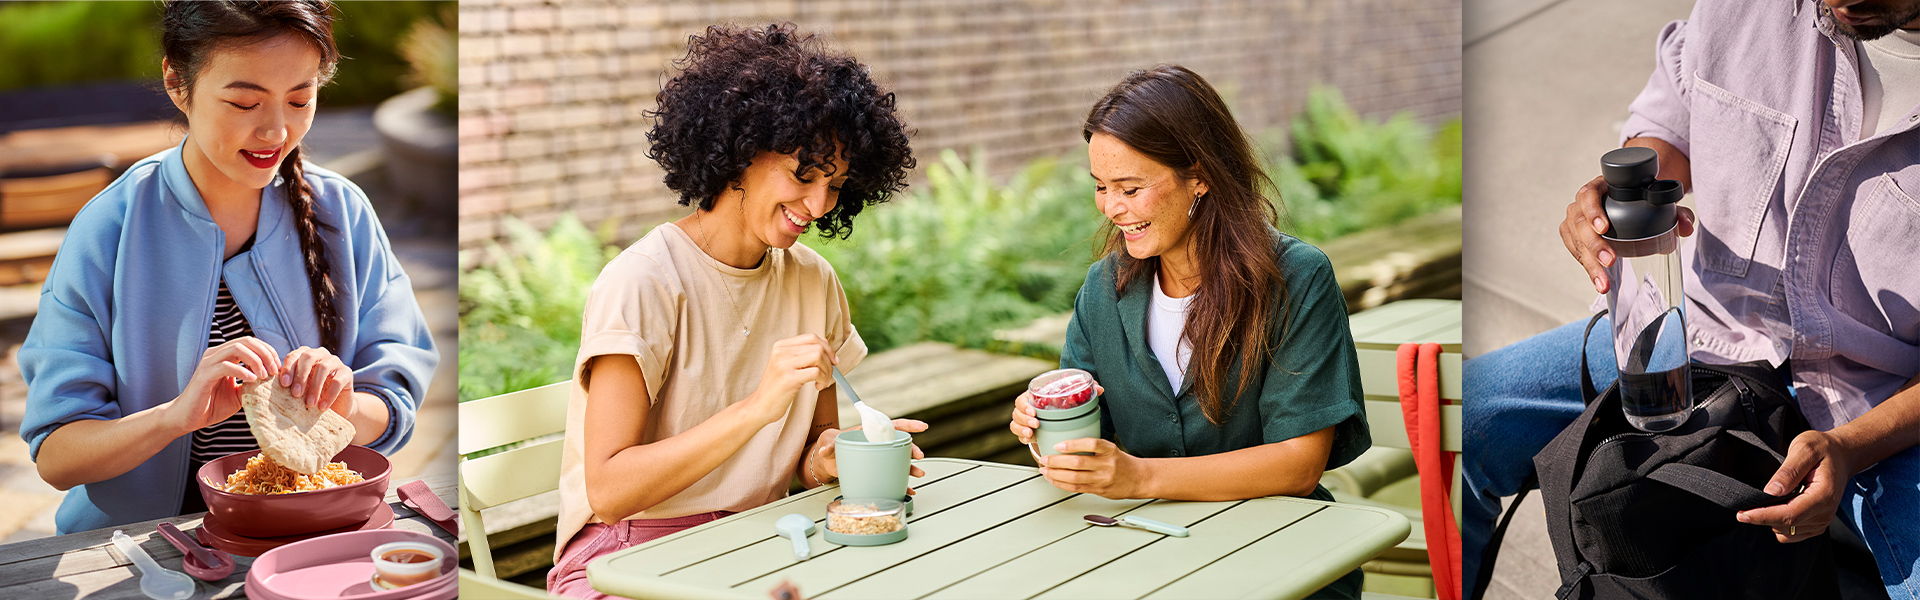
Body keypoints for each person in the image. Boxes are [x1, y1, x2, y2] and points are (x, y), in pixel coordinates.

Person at [1463, 0, 1920, 596]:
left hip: (1879, 405)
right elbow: (1676, 114)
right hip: (1705, 333)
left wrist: (1852, 447)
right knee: (1462, 423)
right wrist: (1625, 191)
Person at [19, 0, 438, 534]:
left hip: (313, 529)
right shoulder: (110, 227)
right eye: (244, 102)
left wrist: (345, 407)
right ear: (177, 81)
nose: (275, 132)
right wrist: (175, 416)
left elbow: (393, 400)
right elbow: (58, 456)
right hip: (150, 548)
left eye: (300, 99)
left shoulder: (342, 212)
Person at [548, 23, 919, 600]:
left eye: (836, 185)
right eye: (803, 175)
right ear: (742, 153)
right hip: (628, 553)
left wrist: (837, 457)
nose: (818, 205)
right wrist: (757, 408)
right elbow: (609, 490)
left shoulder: (812, 282)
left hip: (757, 544)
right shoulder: (644, 280)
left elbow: (810, 449)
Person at [1008, 65, 1372, 599]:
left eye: (1131, 188)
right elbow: (1088, 430)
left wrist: (1138, 478)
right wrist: (1044, 423)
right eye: (1101, 188)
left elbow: (1298, 464)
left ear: (1199, 176)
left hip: (1281, 560)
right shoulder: (1104, 289)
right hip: (1142, 554)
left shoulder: (1295, 278)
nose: (1112, 208)